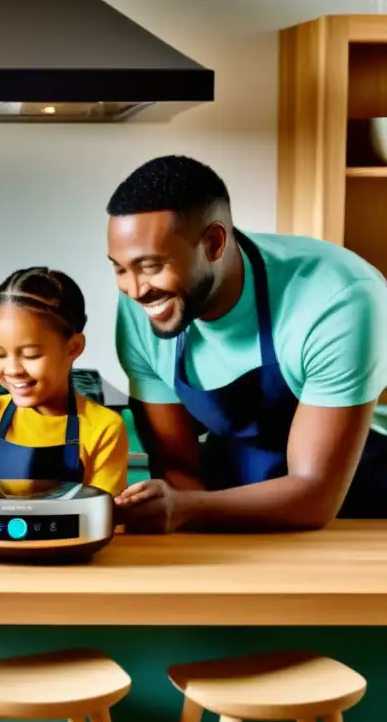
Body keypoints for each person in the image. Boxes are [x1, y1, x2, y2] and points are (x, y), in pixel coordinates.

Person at [107, 154, 387, 533]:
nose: (135, 289)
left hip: (356, 509)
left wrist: (187, 507)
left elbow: (314, 492)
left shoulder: (338, 298)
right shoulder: (144, 308)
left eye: (152, 265)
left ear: (214, 242)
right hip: (225, 502)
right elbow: (178, 468)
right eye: (120, 268)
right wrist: (178, 510)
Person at [0, 267, 129, 495]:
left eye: (30, 355)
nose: (12, 369)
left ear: (73, 348)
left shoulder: (103, 429)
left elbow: (100, 518)